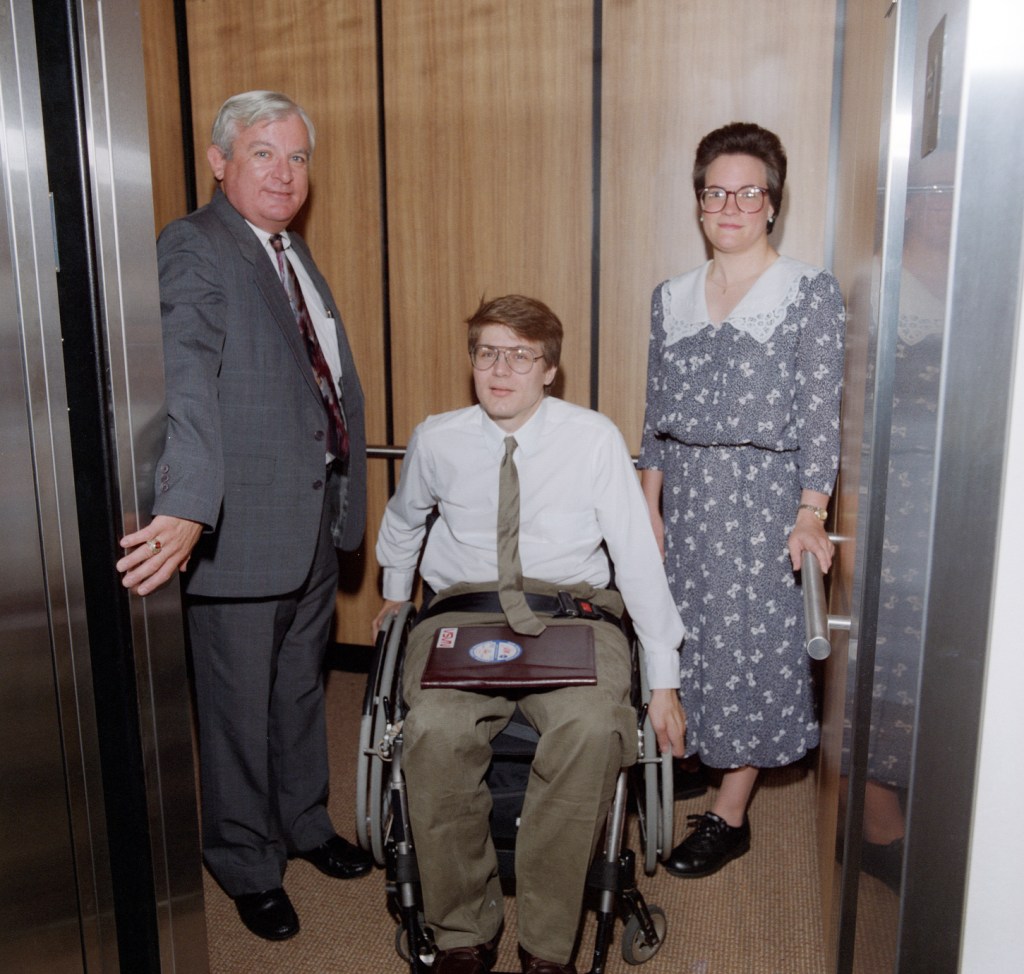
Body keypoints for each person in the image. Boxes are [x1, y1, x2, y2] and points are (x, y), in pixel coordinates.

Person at [115, 91, 372, 940]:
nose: (285, 172)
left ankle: (303, 822)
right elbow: (186, 375)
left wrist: (345, 500)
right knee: (232, 706)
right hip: (237, 527)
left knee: (300, 688)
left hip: (304, 519)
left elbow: (317, 380)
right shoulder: (195, 246)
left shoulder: (287, 250)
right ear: (221, 161)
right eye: (263, 153)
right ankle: (241, 857)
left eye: (297, 157)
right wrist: (188, 502)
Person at [373, 295, 686, 974]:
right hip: (462, 611)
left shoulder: (593, 437)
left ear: (550, 369)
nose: (500, 369)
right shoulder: (438, 437)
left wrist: (663, 680)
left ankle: (547, 946)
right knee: (433, 729)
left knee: (591, 726)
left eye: (520, 355)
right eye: (488, 352)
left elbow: (635, 552)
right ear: (473, 362)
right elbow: (403, 522)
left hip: (570, 612)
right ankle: (462, 933)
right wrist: (397, 595)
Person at [638, 122, 845, 878]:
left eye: (746, 191)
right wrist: (647, 510)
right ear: (699, 204)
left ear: (772, 203)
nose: (729, 205)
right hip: (686, 499)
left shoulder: (807, 292)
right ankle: (697, 751)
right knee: (687, 638)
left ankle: (732, 813)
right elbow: (655, 412)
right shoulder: (670, 298)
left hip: (763, 502)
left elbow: (822, 414)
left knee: (753, 654)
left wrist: (810, 510)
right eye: (714, 192)